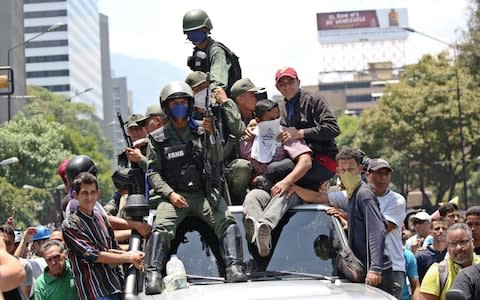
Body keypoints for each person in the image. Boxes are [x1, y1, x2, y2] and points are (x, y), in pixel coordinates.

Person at [144, 81, 247, 295]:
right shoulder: (158, 138)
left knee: (226, 219)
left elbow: (217, 158)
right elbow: (152, 172)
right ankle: (152, 273)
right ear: (166, 107)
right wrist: (170, 195)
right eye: (174, 103)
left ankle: (234, 267)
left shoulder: (202, 129)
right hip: (174, 197)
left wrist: (211, 135)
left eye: (183, 102)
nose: (179, 106)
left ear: (190, 104)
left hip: (203, 194)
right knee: (161, 226)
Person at [241, 99, 312, 257]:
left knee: (283, 194)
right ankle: (255, 231)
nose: (275, 123)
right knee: (252, 197)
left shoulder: (285, 134)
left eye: (277, 118)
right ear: (258, 121)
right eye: (270, 119)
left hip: (290, 189)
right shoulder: (248, 141)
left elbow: (306, 162)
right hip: (264, 190)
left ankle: (265, 226)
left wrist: (286, 182)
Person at [62, 172, 144, 300]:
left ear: (98, 193)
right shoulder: (70, 224)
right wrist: (129, 258)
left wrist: (134, 254)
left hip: (115, 287)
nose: (89, 197)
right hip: (94, 292)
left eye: (92, 192)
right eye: (85, 193)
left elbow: (112, 248)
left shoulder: (101, 218)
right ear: (75, 195)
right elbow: (95, 255)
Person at [185, 71, 252, 205]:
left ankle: (238, 204)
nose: (203, 92)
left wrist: (225, 103)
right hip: (201, 169)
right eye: (198, 89)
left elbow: (240, 131)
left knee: (242, 167)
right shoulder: (187, 116)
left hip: (226, 166)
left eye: (205, 87)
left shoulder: (223, 106)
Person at [335, 148, 393, 294]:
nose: (347, 173)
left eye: (351, 169)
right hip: (361, 270)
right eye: (343, 170)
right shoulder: (352, 193)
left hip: (374, 274)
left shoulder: (364, 194)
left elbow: (377, 230)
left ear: (360, 169)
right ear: (337, 171)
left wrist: (375, 269)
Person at [275, 66, 339, 184]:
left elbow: (332, 129)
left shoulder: (313, 100)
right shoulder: (280, 108)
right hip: (298, 159)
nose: (287, 86)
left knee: (280, 175)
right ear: (277, 87)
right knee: (272, 170)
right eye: (282, 84)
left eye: (291, 82)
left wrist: (299, 134)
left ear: (298, 82)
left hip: (323, 160)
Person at [365, 158, 406, 299]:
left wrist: (347, 218)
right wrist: (294, 185)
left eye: (386, 174)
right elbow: (325, 197)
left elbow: (381, 229)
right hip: (364, 268)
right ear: (367, 175)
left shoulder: (397, 200)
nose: (382, 178)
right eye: (378, 173)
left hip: (393, 268)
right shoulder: (357, 197)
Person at [183, 9, 241, 95]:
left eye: (197, 31)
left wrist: (213, 93)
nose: (193, 35)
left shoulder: (217, 51)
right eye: (190, 32)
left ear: (206, 29)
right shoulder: (197, 53)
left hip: (222, 99)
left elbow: (218, 83)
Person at [420, 223, 480, 300]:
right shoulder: (437, 272)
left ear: (472, 242)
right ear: (447, 247)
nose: (458, 248)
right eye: (453, 244)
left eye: (463, 242)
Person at [415, 218, 448, 283]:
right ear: (431, 232)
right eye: (437, 229)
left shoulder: (452, 253)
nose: (441, 231)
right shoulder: (421, 256)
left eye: (444, 228)